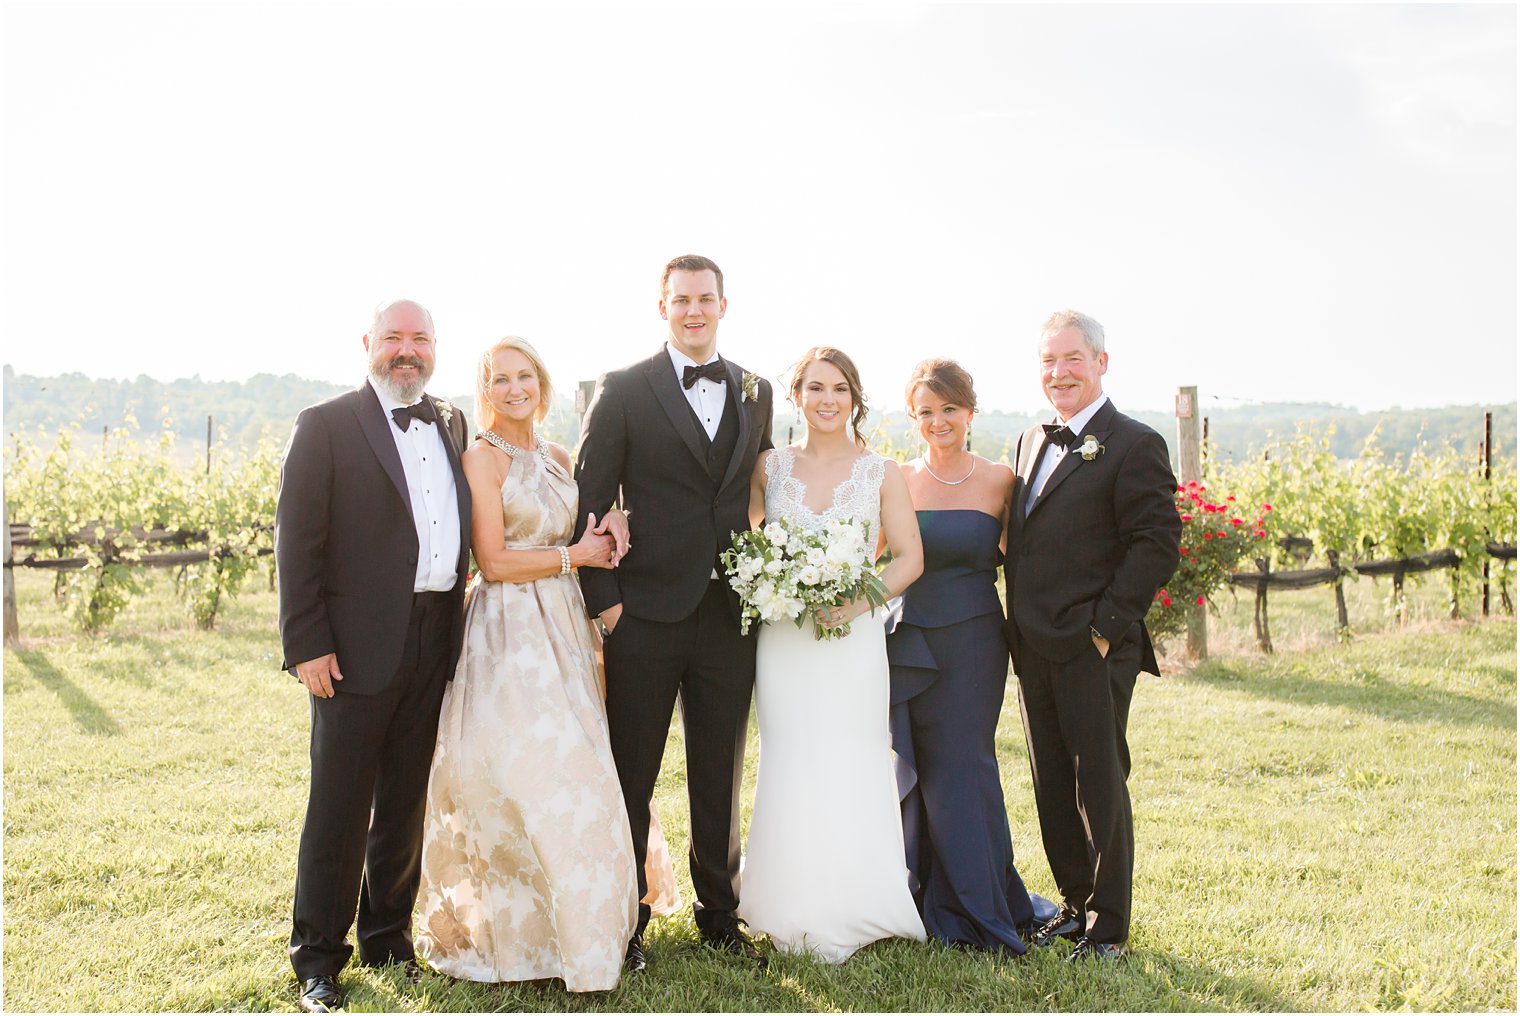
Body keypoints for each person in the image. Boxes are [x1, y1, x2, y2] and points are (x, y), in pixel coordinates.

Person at [414, 337, 637, 991]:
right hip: (506, 634)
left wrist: (613, 523)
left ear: (540, 382)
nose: (515, 389)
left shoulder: (559, 456)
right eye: (500, 379)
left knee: (580, 776)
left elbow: (583, 534)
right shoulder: (481, 460)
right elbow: (495, 561)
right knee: (517, 775)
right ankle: (513, 938)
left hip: (564, 628)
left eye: (525, 376)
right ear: (485, 391)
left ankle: (582, 936)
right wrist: (578, 559)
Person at [573, 255, 775, 971]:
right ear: (662, 307)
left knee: (720, 768)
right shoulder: (624, 389)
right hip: (645, 613)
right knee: (632, 772)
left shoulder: (757, 389)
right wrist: (609, 607)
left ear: (725, 304)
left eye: (705, 299)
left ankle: (719, 914)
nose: (694, 310)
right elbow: (590, 495)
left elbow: (763, 492)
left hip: (728, 613)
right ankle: (623, 921)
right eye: (681, 299)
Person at [276, 299, 471, 1013]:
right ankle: (318, 961)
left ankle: (388, 940)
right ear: (369, 344)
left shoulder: (451, 421)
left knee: (403, 804)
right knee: (338, 806)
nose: (407, 350)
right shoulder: (325, 425)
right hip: (352, 649)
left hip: (435, 637)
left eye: (419, 338)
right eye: (394, 337)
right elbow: (296, 545)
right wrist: (306, 644)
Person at [736, 347, 927, 964]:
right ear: (796, 397)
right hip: (786, 639)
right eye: (814, 388)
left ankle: (859, 901)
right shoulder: (770, 468)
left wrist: (855, 603)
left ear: (855, 398)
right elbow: (745, 540)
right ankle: (782, 902)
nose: (827, 399)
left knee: (851, 757)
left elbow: (907, 558)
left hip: (853, 641)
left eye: (839, 389)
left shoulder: (881, 472)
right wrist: (775, 581)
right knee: (789, 757)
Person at [1005, 310, 1181, 962]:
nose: (1059, 373)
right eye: (1048, 361)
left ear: (1101, 362)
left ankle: (1108, 927)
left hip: (1091, 646)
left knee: (1098, 784)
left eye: (1072, 359)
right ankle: (1075, 906)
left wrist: (1106, 628)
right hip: (1032, 649)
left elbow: (1158, 542)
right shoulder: (1028, 441)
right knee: (1052, 780)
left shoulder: (1134, 443)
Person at [887, 359, 1054, 955]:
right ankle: (929, 892)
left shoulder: (1000, 481)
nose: (939, 421)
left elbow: (1029, 561)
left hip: (976, 642)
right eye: (926, 412)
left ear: (969, 412)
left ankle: (980, 905)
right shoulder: (896, 480)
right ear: (913, 418)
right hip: (910, 641)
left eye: (949, 409)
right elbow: (875, 559)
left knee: (965, 766)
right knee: (924, 768)